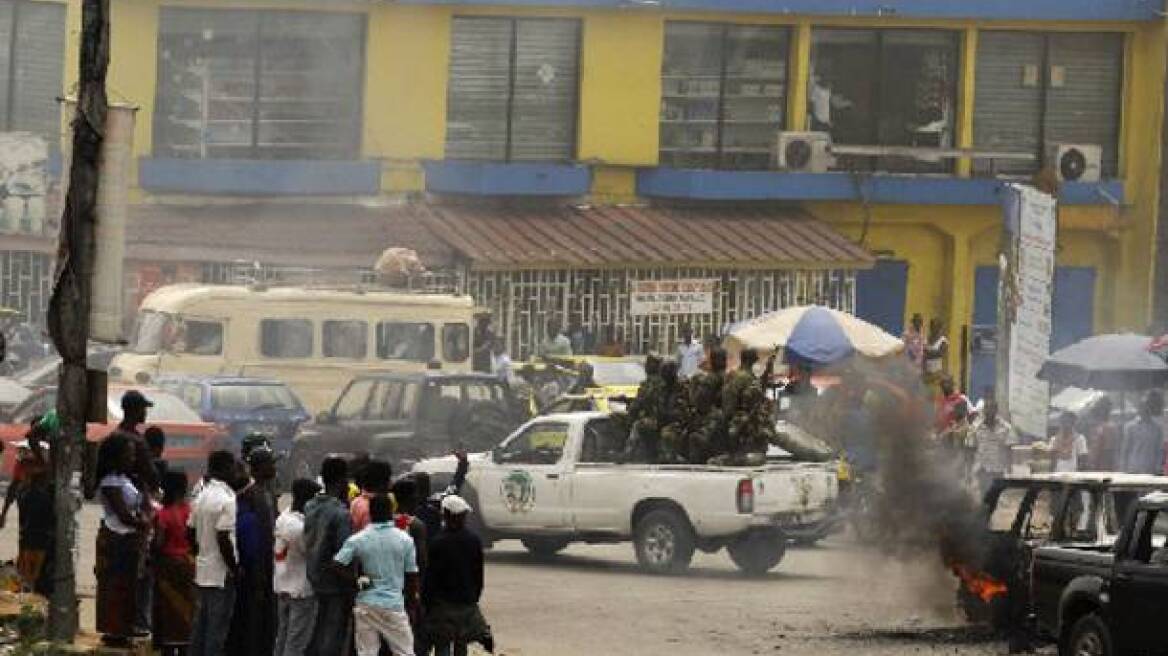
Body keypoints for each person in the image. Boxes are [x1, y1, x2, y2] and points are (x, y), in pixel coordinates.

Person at [333, 494, 420, 656]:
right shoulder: (405, 539)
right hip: (393, 605)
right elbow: (411, 576)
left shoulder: (358, 539)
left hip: (366, 604)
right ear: (391, 511)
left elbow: (337, 565)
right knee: (405, 652)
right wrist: (411, 606)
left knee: (367, 652)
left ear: (371, 512)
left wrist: (356, 581)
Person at [96, 434, 149, 646]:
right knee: (116, 586)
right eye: (129, 454)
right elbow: (123, 515)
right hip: (116, 536)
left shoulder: (126, 479)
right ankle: (114, 630)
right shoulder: (110, 481)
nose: (133, 458)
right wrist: (144, 524)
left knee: (128, 586)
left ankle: (124, 629)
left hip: (128, 538)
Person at [424, 495, 493, 656]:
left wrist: (427, 603)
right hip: (465, 601)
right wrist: (473, 597)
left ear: (445, 515)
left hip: (442, 604)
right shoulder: (474, 541)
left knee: (442, 643)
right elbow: (478, 575)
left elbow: (431, 577)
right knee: (462, 643)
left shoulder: (437, 543)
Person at [188, 450, 240, 656]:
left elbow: (190, 531)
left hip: (203, 570)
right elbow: (223, 538)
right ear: (224, 469)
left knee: (200, 627)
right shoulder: (227, 499)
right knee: (216, 631)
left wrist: (201, 552)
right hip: (221, 574)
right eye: (233, 467)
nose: (236, 472)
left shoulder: (201, 496)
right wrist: (234, 568)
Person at [229, 448, 278, 656]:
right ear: (259, 468)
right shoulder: (251, 494)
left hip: (268, 566)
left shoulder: (267, 492)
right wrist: (257, 571)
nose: (274, 468)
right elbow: (251, 537)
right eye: (271, 463)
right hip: (256, 568)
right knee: (253, 616)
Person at [304, 457, 356, 656]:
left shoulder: (310, 506)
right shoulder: (340, 514)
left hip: (314, 576)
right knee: (332, 636)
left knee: (317, 631)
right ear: (342, 481)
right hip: (335, 583)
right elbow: (344, 556)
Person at [274, 478, 321, 656]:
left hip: (283, 584)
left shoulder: (283, 518)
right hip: (301, 588)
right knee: (296, 642)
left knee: (283, 636)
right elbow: (311, 553)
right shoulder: (300, 527)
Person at [153, 471, 195, 656]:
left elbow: (159, 543)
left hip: (168, 567)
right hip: (187, 565)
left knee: (168, 613)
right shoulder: (190, 511)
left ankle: (168, 649)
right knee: (187, 611)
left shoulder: (163, 514)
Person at [414, 451, 470, 539]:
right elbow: (455, 485)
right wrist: (463, 464)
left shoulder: (403, 508)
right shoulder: (437, 501)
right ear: (428, 488)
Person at [971, 397, 1016, 495]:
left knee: (996, 497)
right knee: (983, 496)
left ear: (996, 410)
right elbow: (971, 448)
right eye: (987, 408)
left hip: (998, 469)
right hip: (982, 469)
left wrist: (1009, 468)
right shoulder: (976, 427)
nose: (989, 411)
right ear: (983, 410)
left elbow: (1009, 449)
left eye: (992, 408)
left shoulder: (1006, 428)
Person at [1120, 390, 1166, 475]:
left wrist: (1158, 468)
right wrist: (1123, 469)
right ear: (1139, 408)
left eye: (1148, 406)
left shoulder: (1157, 429)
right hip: (1133, 469)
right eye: (1143, 406)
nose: (1145, 409)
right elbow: (1125, 449)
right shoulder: (1130, 427)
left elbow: (1159, 451)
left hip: (1150, 470)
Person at [350, 459, 393, 532]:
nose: (390, 484)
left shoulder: (356, 501)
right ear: (382, 483)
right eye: (388, 479)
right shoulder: (373, 509)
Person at [1085, 397, 1120, 471]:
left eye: (1102, 408)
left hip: (1102, 466)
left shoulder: (1109, 427)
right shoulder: (1095, 426)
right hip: (1093, 464)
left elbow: (1108, 451)